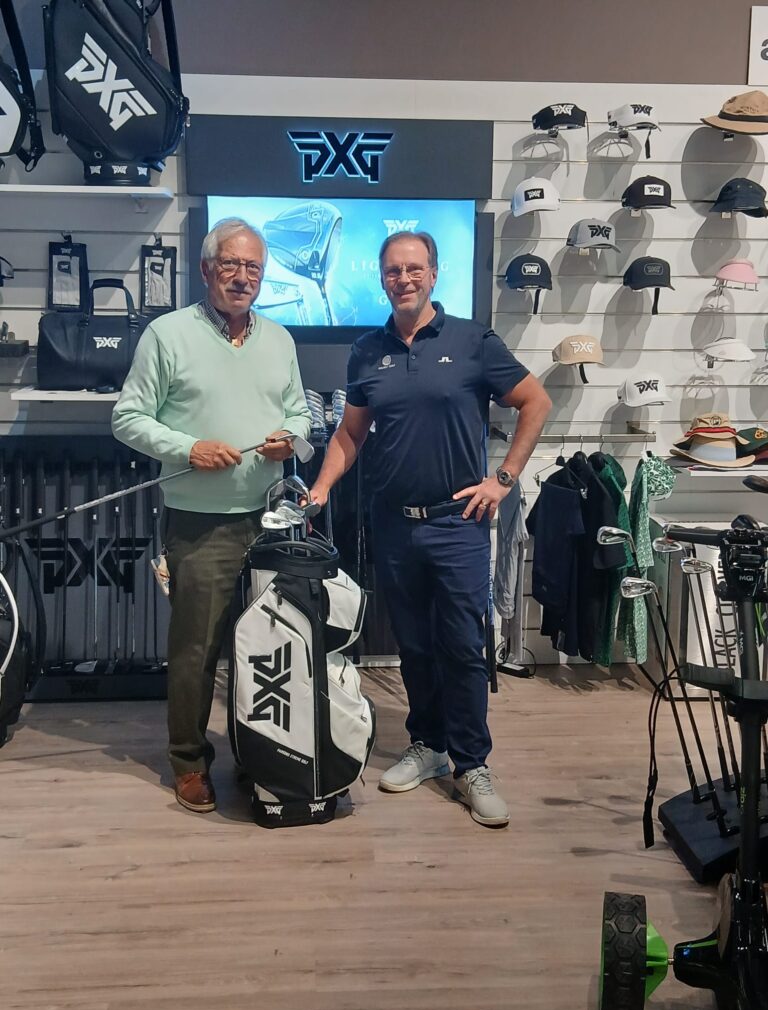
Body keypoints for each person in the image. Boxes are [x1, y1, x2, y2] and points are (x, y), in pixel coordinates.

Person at [310, 231, 550, 828]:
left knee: (463, 647)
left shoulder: (472, 341)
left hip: (458, 523)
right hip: (394, 525)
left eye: (414, 269)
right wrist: (321, 488)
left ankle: (472, 764)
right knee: (413, 645)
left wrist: (504, 478)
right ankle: (429, 745)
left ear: (434, 274)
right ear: (382, 278)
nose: (404, 279)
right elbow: (350, 433)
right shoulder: (367, 351)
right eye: (394, 270)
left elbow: (535, 402)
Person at [112, 217, 312, 813]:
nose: (242, 277)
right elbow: (127, 418)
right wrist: (187, 448)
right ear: (206, 269)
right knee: (196, 652)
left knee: (266, 649)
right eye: (231, 264)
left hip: (270, 521)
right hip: (200, 525)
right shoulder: (167, 334)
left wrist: (291, 439)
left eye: (253, 267)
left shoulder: (280, 339)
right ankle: (189, 761)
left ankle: (259, 753)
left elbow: (301, 414)